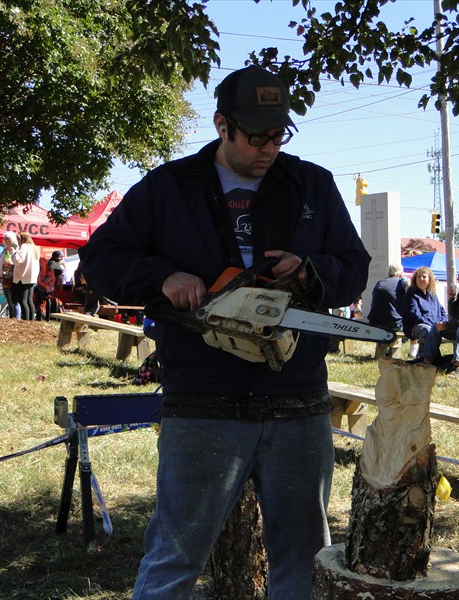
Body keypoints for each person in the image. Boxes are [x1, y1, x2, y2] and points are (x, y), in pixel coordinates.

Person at [77, 65, 370, 600]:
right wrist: (162, 278)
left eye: (278, 136)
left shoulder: (312, 184)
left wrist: (307, 270)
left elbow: (354, 266)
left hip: (296, 399)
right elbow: (98, 258)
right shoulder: (170, 187)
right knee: (174, 557)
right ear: (221, 125)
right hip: (202, 402)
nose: (268, 149)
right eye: (256, 137)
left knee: (303, 563)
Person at [401, 266, 446, 359]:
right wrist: (433, 325)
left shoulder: (432, 294)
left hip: (435, 325)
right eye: (418, 277)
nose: (421, 279)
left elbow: (442, 311)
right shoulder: (411, 293)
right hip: (415, 327)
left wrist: (444, 323)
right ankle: (425, 359)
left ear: (429, 280)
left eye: (424, 277)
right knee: (426, 330)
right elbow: (414, 315)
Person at [366, 263, 407, 331]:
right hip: (394, 323)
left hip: (375, 322)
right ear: (401, 274)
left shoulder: (380, 283)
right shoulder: (401, 284)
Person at [12, 231, 39, 320]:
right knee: (29, 300)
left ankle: (26, 320)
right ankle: (31, 320)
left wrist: (14, 251)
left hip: (22, 276)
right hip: (31, 276)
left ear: (21, 239)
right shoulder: (33, 247)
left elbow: (17, 260)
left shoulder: (24, 246)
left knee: (22, 300)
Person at [0, 232, 20, 319]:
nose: (5, 240)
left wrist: (11, 264)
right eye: (4, 238)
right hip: (4, 278)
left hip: (12, 278)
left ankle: (16, 319)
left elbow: (14, 263)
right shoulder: (4, 251)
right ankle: (11, 318)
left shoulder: (15, 250)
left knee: (14, 301)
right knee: (9, 301)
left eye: (7, 238)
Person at [35, 256, 55, 321]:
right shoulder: (38, 270)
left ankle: (49, 315)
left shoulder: (50, 270)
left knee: (49, 300)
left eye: (42, 262)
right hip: (41, 288)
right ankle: (41, 314)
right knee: (41, 300)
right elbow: (38, 281)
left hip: (49, 288)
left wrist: (49, 285)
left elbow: (53, 279)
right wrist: (45, 286)